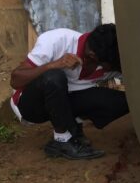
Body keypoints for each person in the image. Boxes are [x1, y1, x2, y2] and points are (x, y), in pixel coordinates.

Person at [9, 24, 127, 160]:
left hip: (64, 100)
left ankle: (72, 127)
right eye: (111, 64)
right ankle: (62, 140)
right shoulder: (57, 40)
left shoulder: (109, 60)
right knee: (53, 77)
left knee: (124, 101)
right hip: (31, 105)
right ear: (92, 56)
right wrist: (52, 65)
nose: (114, 67)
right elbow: (15, 80)